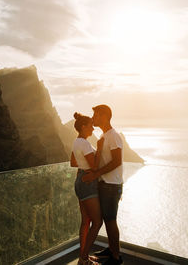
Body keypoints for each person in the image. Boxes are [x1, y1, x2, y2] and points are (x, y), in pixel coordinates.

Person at [82, 105, 124, 265]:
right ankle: (112, 249)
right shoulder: (106, 136)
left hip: (110, 186)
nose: (93, 118)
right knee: (108, 220)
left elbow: (117, 160)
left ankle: (116, 257)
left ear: (105, 116)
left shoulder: (113, 136)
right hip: (108, 184)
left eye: (96, 115)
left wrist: (95, 174)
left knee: (111, 220)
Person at [71, 112, 105, 265]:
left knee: (85, 222)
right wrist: (99, 148)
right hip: (87, 183)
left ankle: (82, 258)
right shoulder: (85, 143)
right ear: (83, 127)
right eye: (91, 125)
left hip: (80, 180)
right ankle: (84, 258)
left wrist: (84, 167)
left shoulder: (77, 141)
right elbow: (95, 165)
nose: (93, 128)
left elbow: (73, 162)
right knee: (97, 222)